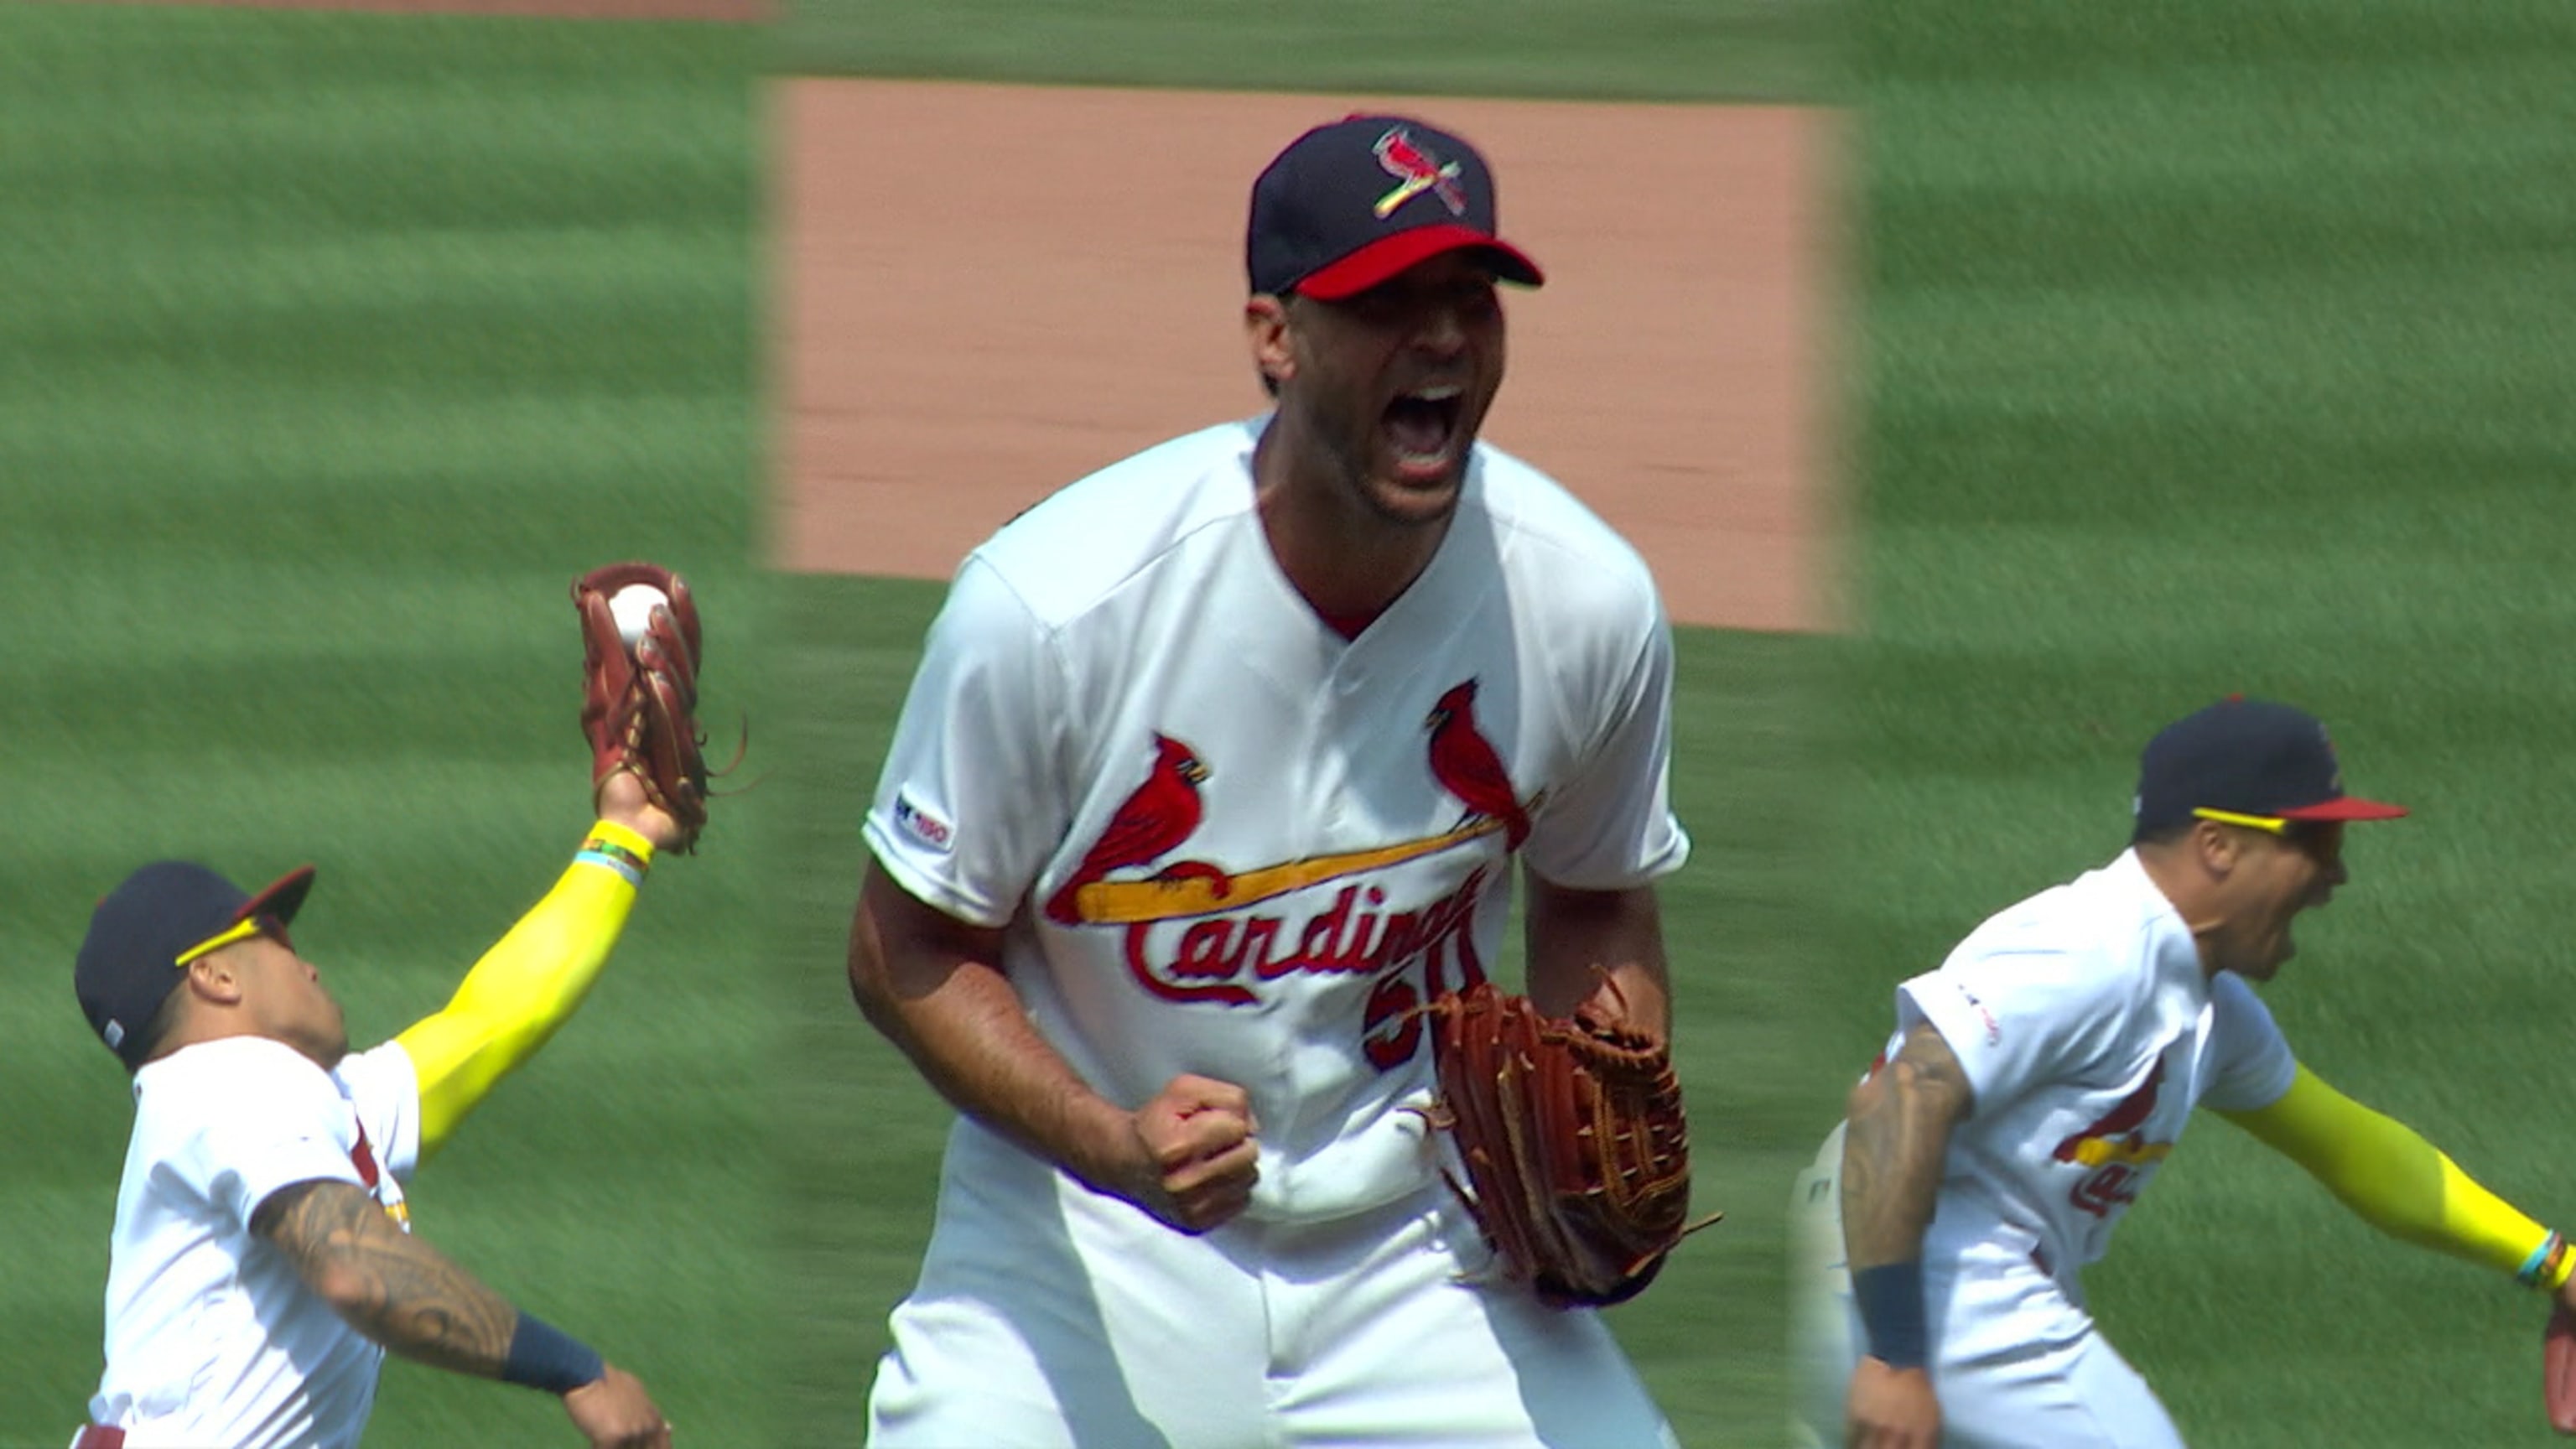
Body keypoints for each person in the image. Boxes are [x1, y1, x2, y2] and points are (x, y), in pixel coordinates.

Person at [846, 113, 1694, 1446]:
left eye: (1470, 301)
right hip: (1084, 1240)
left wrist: (1602, 1089)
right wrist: (1110, 1138)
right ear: (1275, 336)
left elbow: (1594, 892)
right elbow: (904, 947)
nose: (1442, 341)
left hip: (1422, 1256)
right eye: (1385, 303)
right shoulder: (1054, 609)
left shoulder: (1582, 604)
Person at [1793, 696, 2576, 1448]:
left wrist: (2554, 1264)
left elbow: (2350, 1148)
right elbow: (1895, 1101)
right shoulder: (2091, 951)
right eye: (2316, 845)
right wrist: (1895, 1353)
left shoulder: (2210, 1006)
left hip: (1895, 1277)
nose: (2335, 876)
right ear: (2219, 846)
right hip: (1935, 1280)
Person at [70, 768, 688, 1449]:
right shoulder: (233, 1084)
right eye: (270, 933)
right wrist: (582, 1375)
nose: (304, 964)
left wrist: (623, 837)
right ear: (214, 977)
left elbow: (488, 1022)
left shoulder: (282, 1101)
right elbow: (357, 1270)